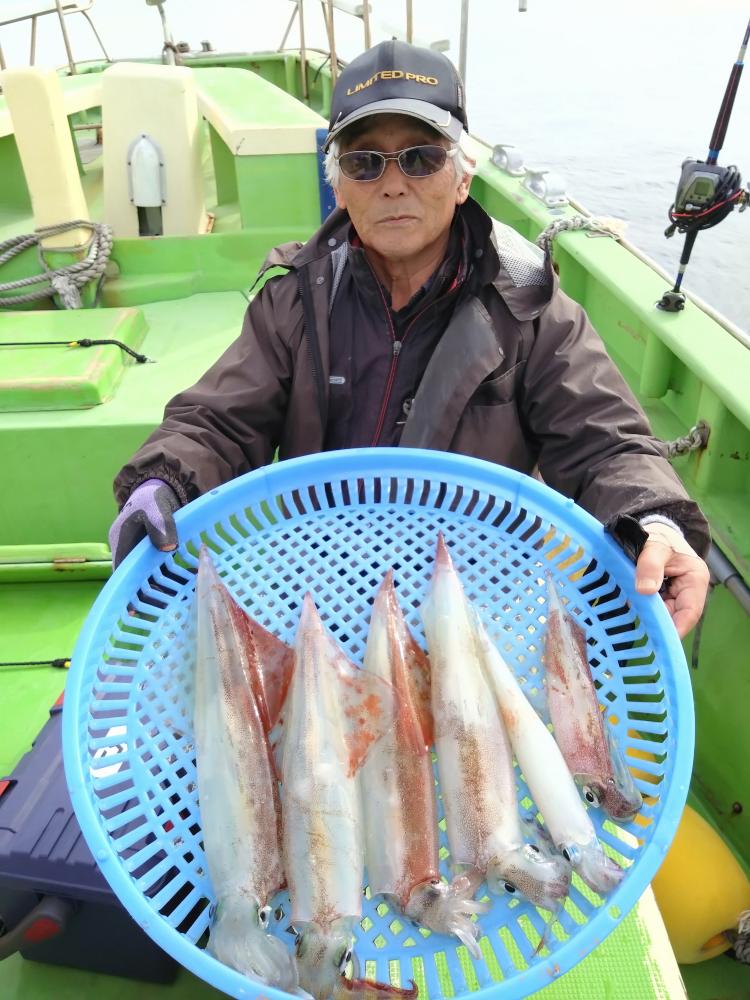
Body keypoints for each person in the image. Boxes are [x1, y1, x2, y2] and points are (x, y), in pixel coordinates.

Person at [110, 40, 710, 637]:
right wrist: (163, 482)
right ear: (339, 186)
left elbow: (605, 444)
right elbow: (218, 422)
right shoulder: (296, 297)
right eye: (365, 162)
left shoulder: (530, 309)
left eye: (420, 158)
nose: (393, 184)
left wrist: (655, 522)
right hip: (320, 594)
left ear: (462, 177)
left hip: (469, 609)